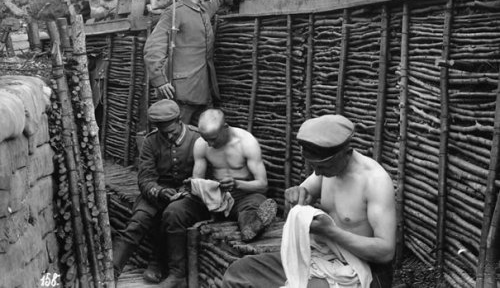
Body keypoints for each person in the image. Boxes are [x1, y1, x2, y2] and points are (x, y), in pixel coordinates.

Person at [222, 114, 397, 288]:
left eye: (322, 167)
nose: (318, 173)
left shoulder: (375, 181)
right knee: (239, 272)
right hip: (320, 256)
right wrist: (296, 194)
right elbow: (303, 192)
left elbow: (386, 252)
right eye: (313, 167)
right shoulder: (328, 170)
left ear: (346, 154)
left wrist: (330, 232)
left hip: (364, 269)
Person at [111, 99, 206, 288]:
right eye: (164, 133)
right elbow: (145, 179)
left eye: (172, 131)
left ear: (180, 121)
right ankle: (111, 272)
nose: (169, 136)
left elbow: (205, 177)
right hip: (158, 192)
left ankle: (164, 267)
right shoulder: (151, 141)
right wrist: (160, 191)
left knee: (173, 213)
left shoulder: (197, 139)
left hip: (189, 194)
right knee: (138, 222)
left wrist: (186, 191)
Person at [144, 0, 250, 125]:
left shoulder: (201, 10)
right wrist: (160, 79)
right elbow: (153, 46)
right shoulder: (175, 12)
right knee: (178, 141)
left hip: (203, 91)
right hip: (181, 94)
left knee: (207, 138)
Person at [191, 108, 277, 241]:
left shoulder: (246, 142)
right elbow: (197, 180)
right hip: (214, 197)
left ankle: (251, 227)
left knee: (254, 205)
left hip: (243, 196)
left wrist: (237, 183)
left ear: (225, 127)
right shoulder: (201, 144)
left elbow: (263, 185)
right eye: (206, 139)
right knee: (180, 209)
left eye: (213, 139)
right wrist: (199, 187)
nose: (210, 144)